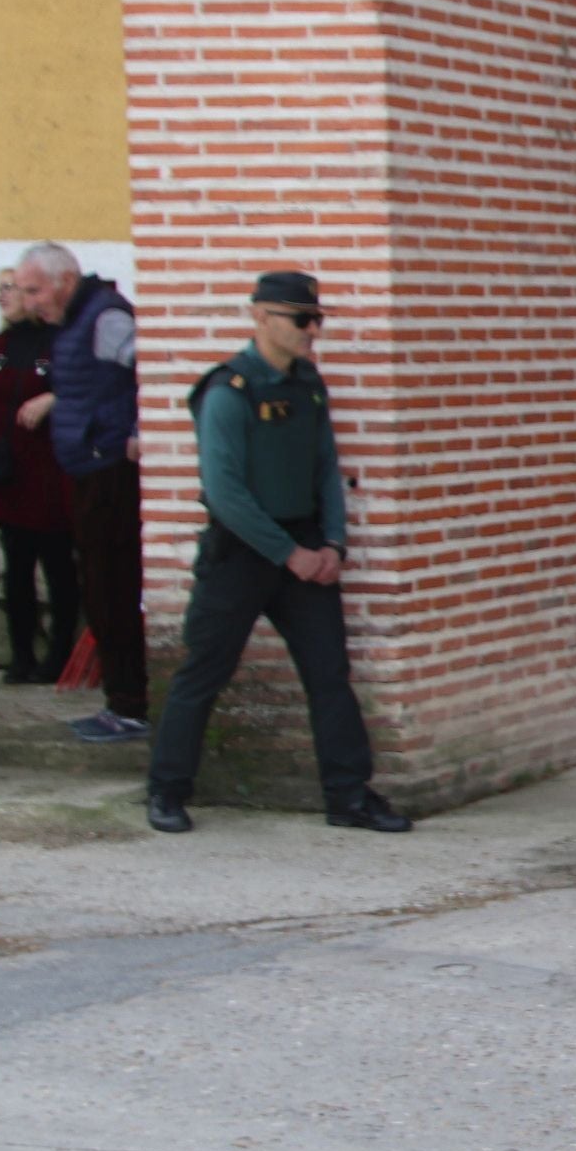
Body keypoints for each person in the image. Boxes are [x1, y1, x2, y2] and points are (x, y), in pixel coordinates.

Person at [144, 273, 407, 834]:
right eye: (301, 319)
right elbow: (225, 492)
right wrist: (289, 553)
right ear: (261, 317)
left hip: (305, 549)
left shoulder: (309, 384)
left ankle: (349, 796)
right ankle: (166, 790)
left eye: (318, 319)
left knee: (329, 674)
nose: (313, 330)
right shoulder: (227, 391)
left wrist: (333, 543)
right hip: (242, 552)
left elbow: (325, 469)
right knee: (202, 674)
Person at [17, 241, 149, 742]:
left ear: (66, 281)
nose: (29, 302)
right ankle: (124, 700)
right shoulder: (77, 320)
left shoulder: (104, 317)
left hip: (109, 469)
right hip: (90, 466)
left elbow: (150, 369)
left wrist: (140, 427)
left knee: (112, 587)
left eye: (35, 289)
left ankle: (130, 704)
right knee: (100, 586)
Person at [0, 265, 80, 686]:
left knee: (59, 567)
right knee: (16, 569)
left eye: (10, 288)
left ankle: (59, 656)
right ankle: (20, 654)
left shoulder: (60, 340)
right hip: (9, 473)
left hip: (52, 471)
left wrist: (52, 399)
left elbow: (81, 387)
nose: (2, 296)